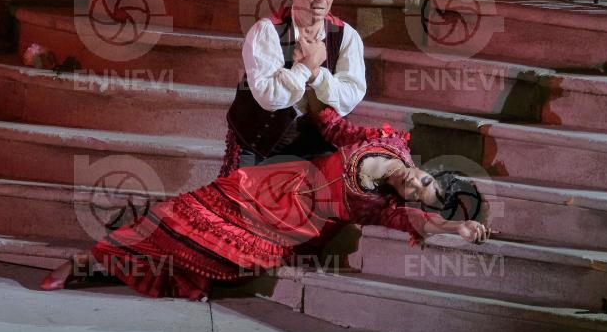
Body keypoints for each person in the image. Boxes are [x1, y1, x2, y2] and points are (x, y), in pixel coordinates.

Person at [40, 99, 492, 299]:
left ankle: (125, 268)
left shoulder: (382, 207)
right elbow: (334, 126)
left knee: (214, 254)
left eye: (417, 192)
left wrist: (456, 226)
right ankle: (87, 260)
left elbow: (420, 222)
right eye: (423, 180)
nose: (413, 183)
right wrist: (309, 72)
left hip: (284, 226)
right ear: (426, 170)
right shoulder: (387, 141)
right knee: (172, 213)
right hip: (267, 185)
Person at [221, 0, 365, 177]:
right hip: (260, 140)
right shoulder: (267, 31)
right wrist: (305, 67)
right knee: (240, 197)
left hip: (316, 143)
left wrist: (316, 74)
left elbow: (350, 96)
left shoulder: (347, 36)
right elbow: (269, 96)